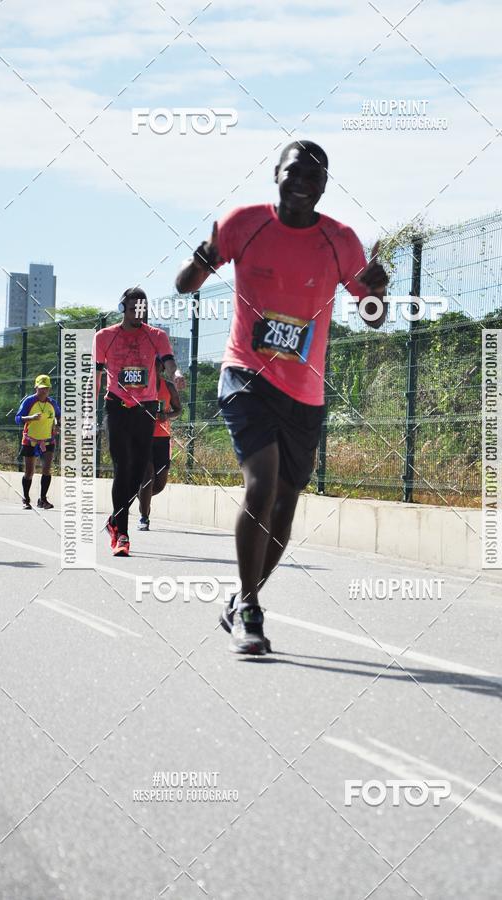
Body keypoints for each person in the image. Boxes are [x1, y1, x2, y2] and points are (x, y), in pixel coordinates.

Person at [175, 140, 388, 654]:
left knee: (286, 506)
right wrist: (204, 259)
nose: (303, 182)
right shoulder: (244, 223)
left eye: (315, 176)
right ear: (276, 173)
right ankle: (250, 609)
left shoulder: (341, 240)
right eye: (295, 171)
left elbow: (373, 315)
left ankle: (240, 601)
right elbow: (184, 285)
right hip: (246, 375)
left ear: (324, 186)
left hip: (305, 392)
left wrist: (378, 290)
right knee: (261, 486)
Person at [93, 287, 185, 556]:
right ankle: (122, 534)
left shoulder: (157, 336)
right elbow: (97, 376)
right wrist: (89, 410)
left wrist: (176, 373)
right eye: (134, 309)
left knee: (140, 474)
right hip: (117, 407)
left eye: (142, 310)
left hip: (146, 409)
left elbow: (169, 362)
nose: (138, 314)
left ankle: (114, 519)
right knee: (123, 468)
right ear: (123, 308)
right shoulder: (105, 337)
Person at [137, 358, 182, 530]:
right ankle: (144, 517)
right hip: (142, 437)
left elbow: (178, 410)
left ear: (161, 367)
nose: (152, 367)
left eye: (156, 365)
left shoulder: (169, 387)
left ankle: (141, 494)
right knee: (147, 476)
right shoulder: (140, 387)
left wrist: (167, 416)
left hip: (162, 438)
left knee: (159, 484)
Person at [15, 374, 61, 510]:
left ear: (49, 389)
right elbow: (17, 418)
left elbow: (58, 416)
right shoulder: (29, 401)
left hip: (48, 440)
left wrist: (57, 425)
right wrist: (31, 417)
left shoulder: (52, 403)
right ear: (36, 387)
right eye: (41, 388)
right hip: (30, 440)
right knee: (29, 472)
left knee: (47, 469)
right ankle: (26, 499)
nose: (44, 391)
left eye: (46, 388)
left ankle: (43, 499)